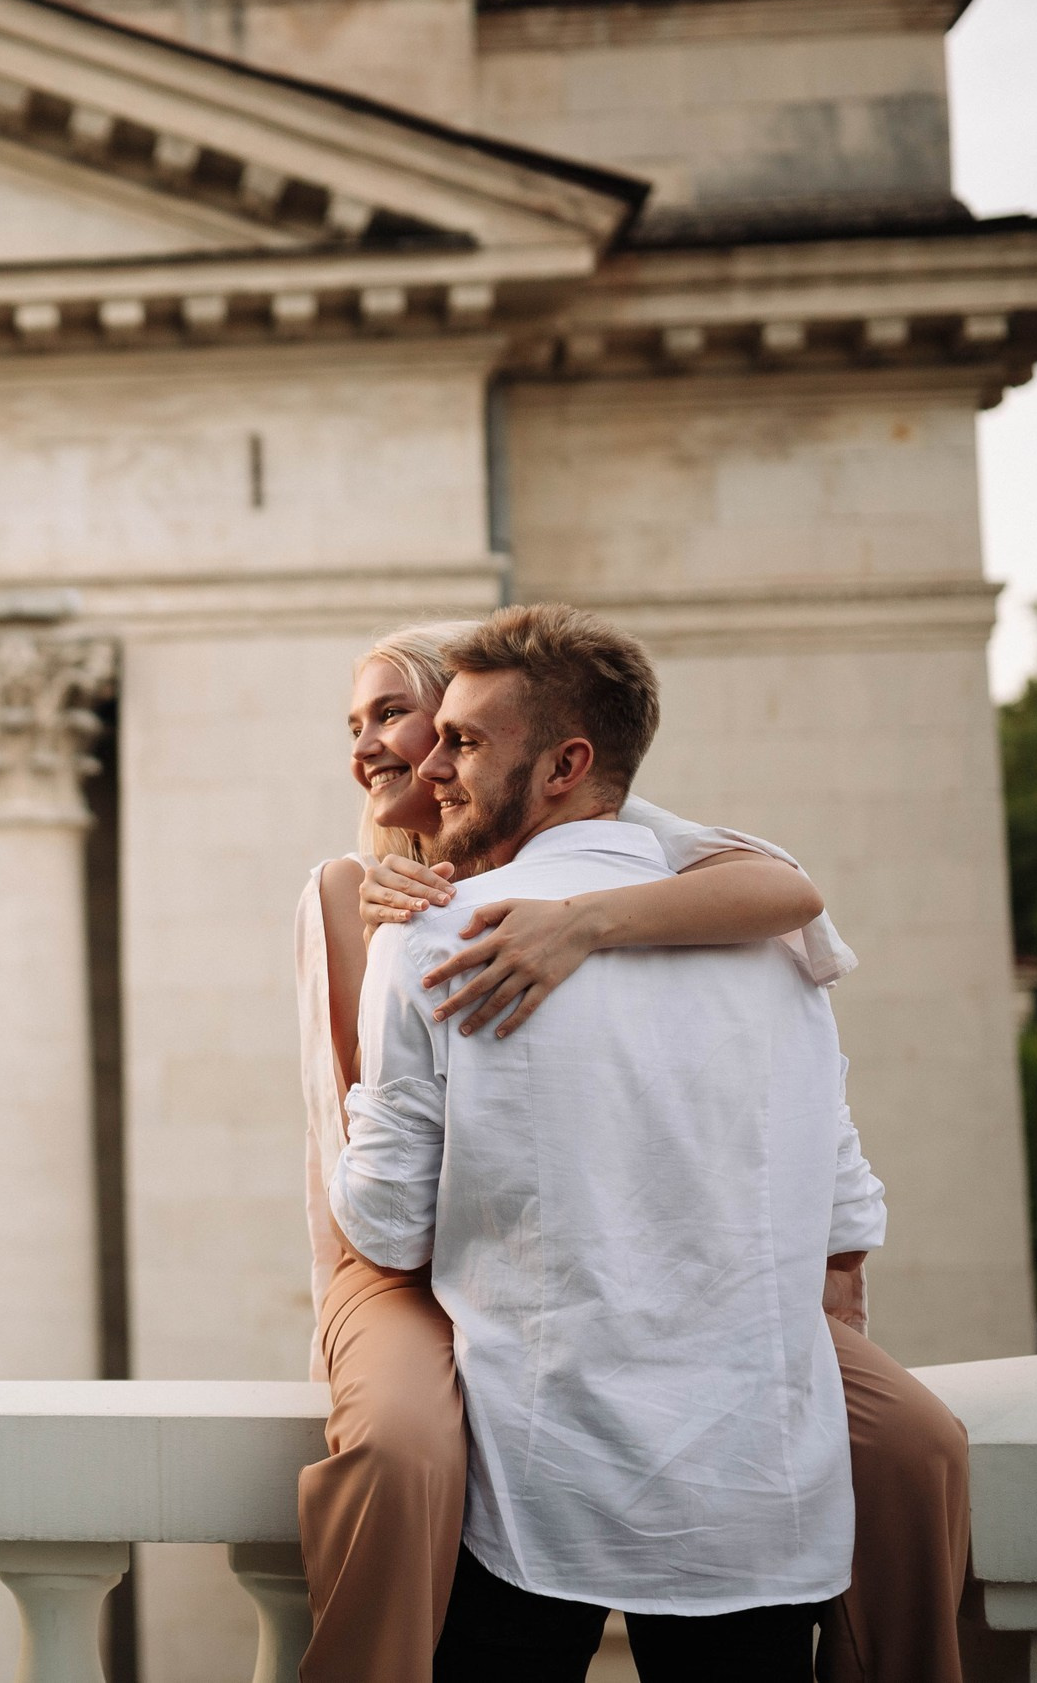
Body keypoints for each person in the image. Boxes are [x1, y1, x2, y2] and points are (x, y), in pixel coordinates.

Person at [294, 617, 969, 1683]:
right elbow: (842, 1194)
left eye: (451, 738)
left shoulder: (437, 940)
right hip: (755, 1489)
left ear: (563, 764)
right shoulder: (776, 953)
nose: (417, 761)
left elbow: (389, 1219)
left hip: (542, 1471)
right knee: (403, 1445)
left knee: (920, 1445)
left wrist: (576, 931)